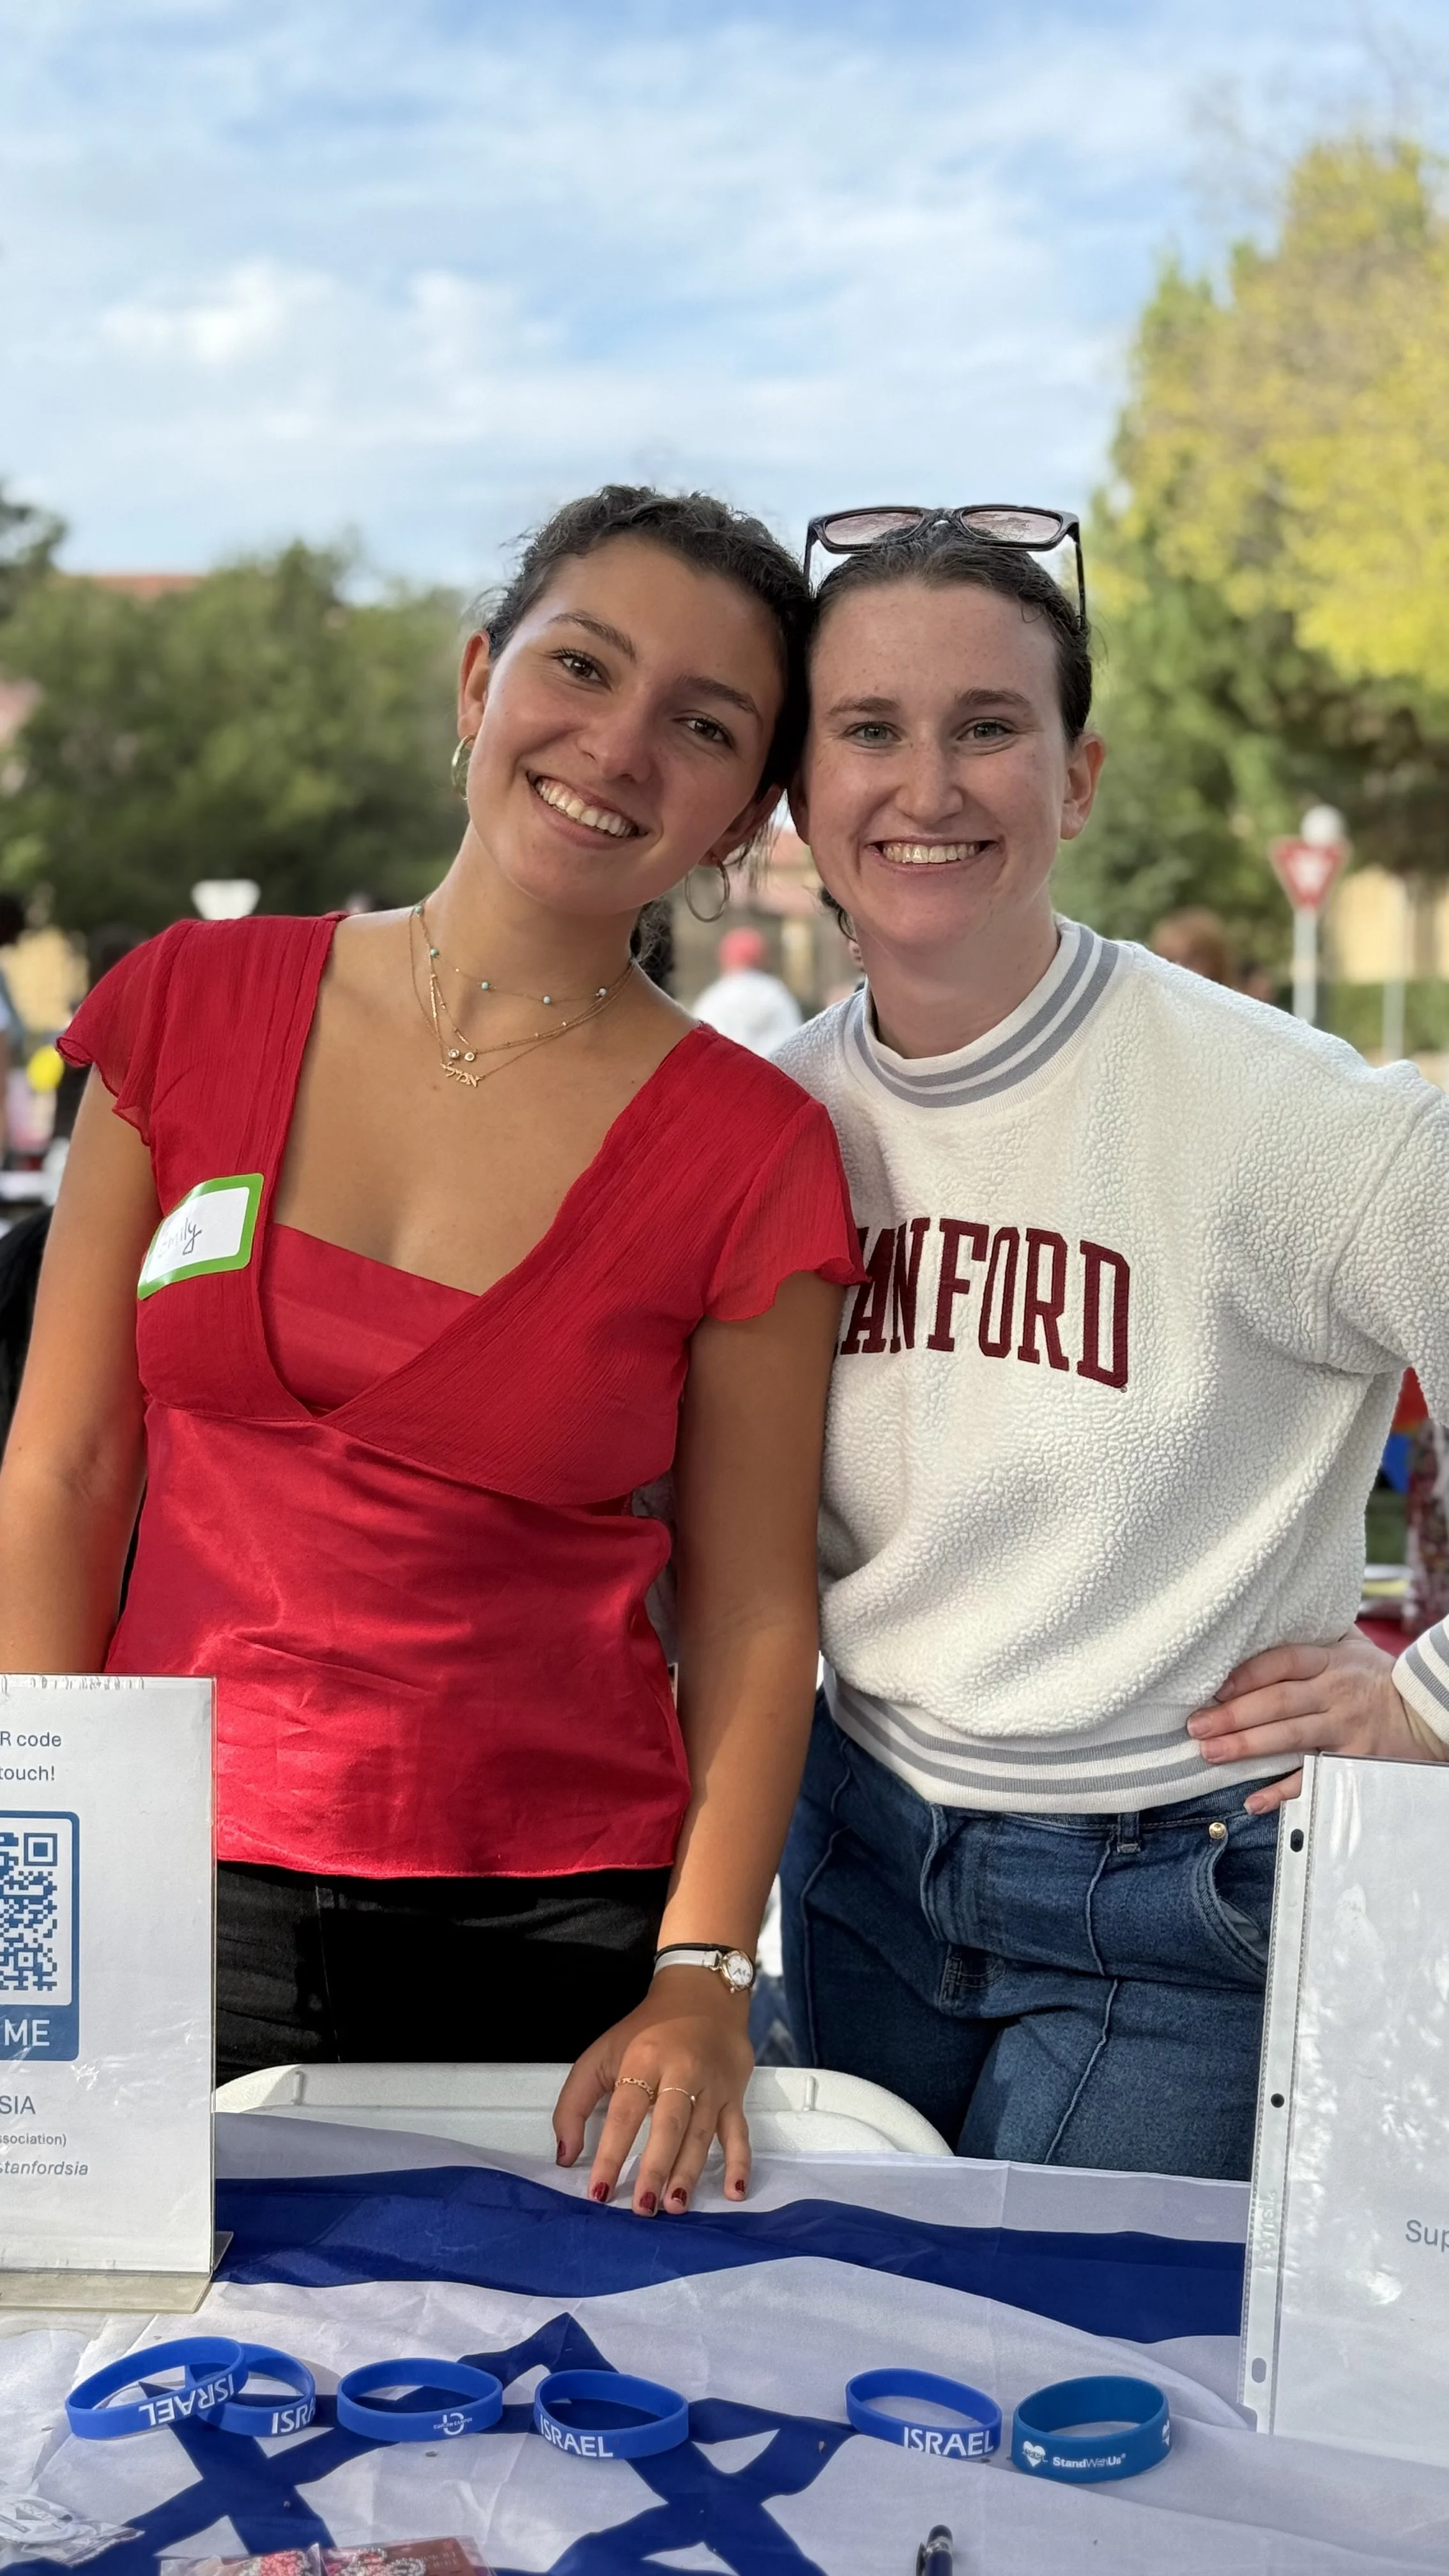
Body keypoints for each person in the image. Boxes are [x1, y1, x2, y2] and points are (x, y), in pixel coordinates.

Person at [0, 484, 863, 2220]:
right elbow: (68, 1468)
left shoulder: (749, 1149)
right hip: (159, 1890)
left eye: (699, 727)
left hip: (550, 1943)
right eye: (581, 667)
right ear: (479, 682)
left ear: (739, 817)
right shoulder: (188, 1002)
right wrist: (39, 1848)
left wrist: (700, 1973)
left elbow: (758, 1612)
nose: (616, 747)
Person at [775, 511, 1449, 2180]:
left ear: (1074, 777)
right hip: (853, 1845)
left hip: (1175, 1888)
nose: (923, 786)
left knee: (1053, 2394)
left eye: (984, 729)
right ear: (798, 793)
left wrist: (1428, 1701)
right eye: (867, 730)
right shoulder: (769, 1114)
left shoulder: (1283, 1120)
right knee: (872, 2357)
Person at [691, 925, 802, 1055]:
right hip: (773, 1070)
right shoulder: (775, 992)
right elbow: (793, 1037)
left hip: (728, 1070)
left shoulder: (714, 997)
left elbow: (699, 1044)